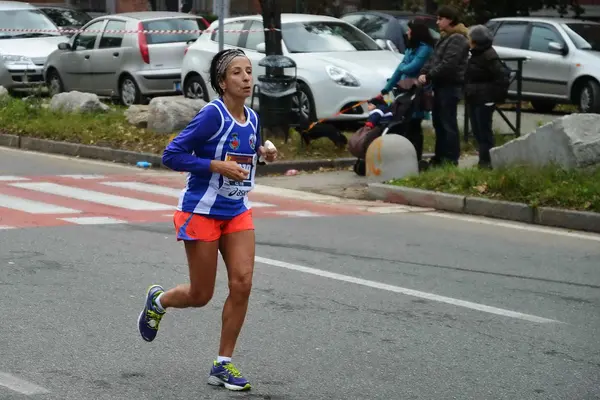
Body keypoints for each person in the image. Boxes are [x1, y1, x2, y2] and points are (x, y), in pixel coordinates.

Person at [137, 48, 277, 392]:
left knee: (242, 283)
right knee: (201, 294)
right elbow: (172, 155)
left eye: (249, 72)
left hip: (236, 210)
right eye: (237, 73)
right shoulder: (212, 116)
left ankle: (222, 364)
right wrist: (214, 166)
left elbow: (248, 150)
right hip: (201, 210)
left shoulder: (253, 118)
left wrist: (266, 153)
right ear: (222, 82)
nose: (246, 78)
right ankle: (159, 301)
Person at [377, 19, 435, 163]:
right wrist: (386, 89)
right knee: (405, 125)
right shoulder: (410, 48)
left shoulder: (425, 49)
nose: (407, 33)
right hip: (405, 90)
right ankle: (407, 157)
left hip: (417, 92)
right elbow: (399, 70)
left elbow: (412, 67)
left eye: (410, 30)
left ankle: (417, 157)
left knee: (414, 125)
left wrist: (403, 66)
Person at [418, 5, 470, 167]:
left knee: (448, 123)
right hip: (440, 85)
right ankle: (439, 157)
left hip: (450, 86)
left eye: (441, 19)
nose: (438, 22)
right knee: (438, 122)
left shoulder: (458, 38)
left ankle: (450, 158)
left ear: (451, 20)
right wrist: (424, 71)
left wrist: (429, 75)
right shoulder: (445, 36)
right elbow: (434, 59)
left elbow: (449, 64)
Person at [465, 25, 510, 168]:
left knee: (484, 132)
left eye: (470, 38)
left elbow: (502, 77)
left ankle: (487, 162)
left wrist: (494, 98)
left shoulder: (489, 55)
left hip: (484, 99)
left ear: (476, 40)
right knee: (478, 131)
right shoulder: (476, 54)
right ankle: (483, 161)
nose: (468, 40)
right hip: (474, 97)